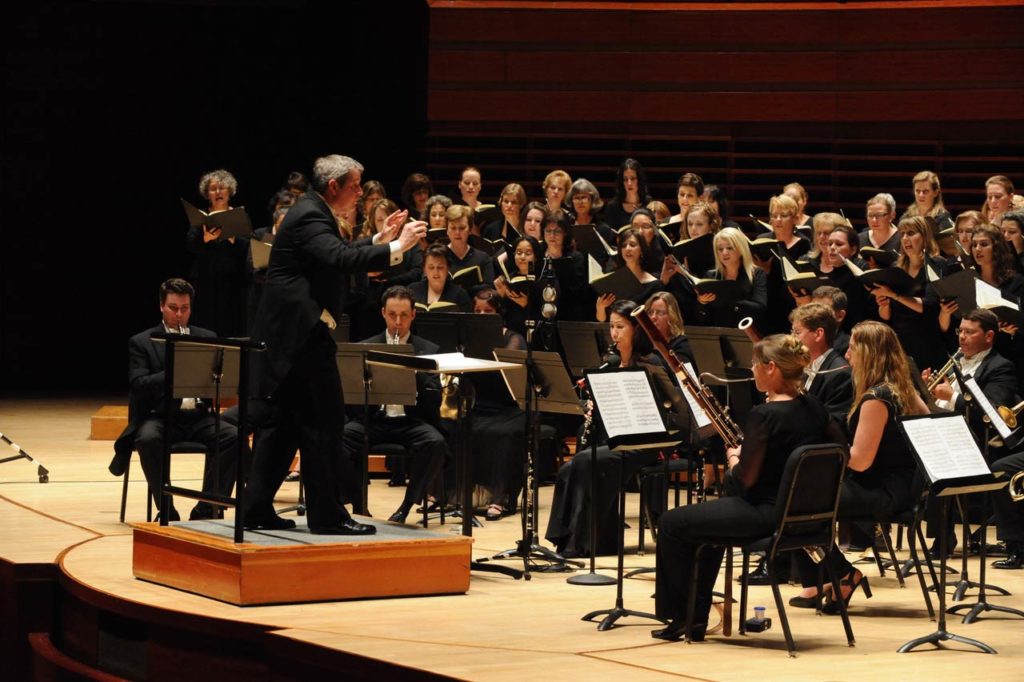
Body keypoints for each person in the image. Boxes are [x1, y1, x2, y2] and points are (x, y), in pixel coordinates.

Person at [243, 154, 425, 535]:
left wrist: (378, 240)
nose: (360, 193)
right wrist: (399, 246)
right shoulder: (311, 215)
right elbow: (338, 258)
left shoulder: (313, 212)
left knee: (284, 425)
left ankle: (255, 508)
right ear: (333, 186)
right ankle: (326, 517)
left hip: (291, 339)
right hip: (301, 340)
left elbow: (335, 255)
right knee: (325, 424)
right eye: (355, 186)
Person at [653, 334, 844, 640]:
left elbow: (742, 482)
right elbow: (840, 450)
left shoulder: (763, 416)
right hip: (804, 517)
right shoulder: (814, 408)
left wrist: (733, 456)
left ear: (771, 368)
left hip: (764, 514)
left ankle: (683, 617)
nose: (752, 369)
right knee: (705, 527)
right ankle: (692, 617)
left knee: (671, 523)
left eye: (755, 363)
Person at [789, 321, 929, 612]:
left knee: (795, 504)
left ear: (869, 354)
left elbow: (860, 462)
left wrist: (826, 448)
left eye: (852, 348)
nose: (847, 355)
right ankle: (821, 581)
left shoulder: (876, 399)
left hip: (881, 491)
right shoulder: (904, 389)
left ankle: (841, 574)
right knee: (804, 497)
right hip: (904, 487)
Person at [110, 278, 242, 521]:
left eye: (185, 308)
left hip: (198, 417)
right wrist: (175, 371)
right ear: (161, 306)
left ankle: (207, 507)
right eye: (173, 308)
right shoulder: (142, 342)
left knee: (234, 437)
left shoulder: (207, 337)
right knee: (147, 439)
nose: (179, 315)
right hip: (161, 417)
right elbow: (138, 384)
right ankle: (167, 508)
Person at [545, 299, 668, 557]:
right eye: (612, 326)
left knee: (585, 461)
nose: (614, 333)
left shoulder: (650, 363)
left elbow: (658, 410)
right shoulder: (610, 363)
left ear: (637, 329)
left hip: (644, 442)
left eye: (621, 327)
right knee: (568, 468)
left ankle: (584, 543)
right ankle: (567, 539)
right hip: (615, 438)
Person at [340, 286, 449, 523]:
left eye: (404, 315)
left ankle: (406, 507)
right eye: (392, 315)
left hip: (411, 421)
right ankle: (358, 504)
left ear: (413, 315)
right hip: (374, 420)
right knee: (338, 439)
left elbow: (434, 402)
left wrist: (416, 372)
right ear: (383, 313)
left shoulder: (428, 350)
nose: (398, 322)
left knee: (436, 443)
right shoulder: (366, 347)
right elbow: (352, 398)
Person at [874, 216, 947, 374]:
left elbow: (929, 306)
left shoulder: (936, 264)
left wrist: (895, 295)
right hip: (900, 344)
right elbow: (886, 316)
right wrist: (883, 305)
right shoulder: (896, 266)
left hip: (927, 342)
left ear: (924, 236)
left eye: (911, 233)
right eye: (902, 234)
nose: (905, 238)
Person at [184, 169, 249, 337]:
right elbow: (191, 245)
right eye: (213, 189)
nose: (218, 192)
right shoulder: (201, 218)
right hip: (206, 281)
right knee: (205, 326)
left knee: (230, 327)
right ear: (207, 194)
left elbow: (249, 249)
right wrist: (205, 239)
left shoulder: (239, 216)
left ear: (230, 191)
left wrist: (233, 237)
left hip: (232, 283)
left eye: (222, 188)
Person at [790, 303, 853, 433]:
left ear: (818, 334)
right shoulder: (803, 366)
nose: (792, 338)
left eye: (797, 332)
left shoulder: (841, 373)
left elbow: (833, 424)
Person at [695, 227, 768, 329]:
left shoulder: (756, 273)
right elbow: (702, 318)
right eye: (720, 249)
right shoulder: (711, 276)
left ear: (741, 249)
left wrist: (730, 297)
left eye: (729, 248)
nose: (724, 253)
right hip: (719, 331)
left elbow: (760, 308)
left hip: (749, 332)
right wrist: (702, 302)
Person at [595, 227, 662, 322]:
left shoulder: (654, 285)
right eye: (624, 245)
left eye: (632, 245)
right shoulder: (612, 280)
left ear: (642, 250)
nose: (627, 249)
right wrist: (600, 308)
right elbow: (602, 320)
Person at [410, 244, 472, 312]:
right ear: (424, 269)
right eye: (431, 267)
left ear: (448, 268)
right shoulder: (413, 290)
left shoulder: (460, 295)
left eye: (440, 267)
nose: (435, 272)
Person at [602, 158, 653, 230]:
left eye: (633, 178)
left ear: (639, 180)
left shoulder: (649, 204)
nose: (629, 183)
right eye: (625, 179)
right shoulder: (612, 207)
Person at [859, 193, 900, 257]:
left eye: (879, 215)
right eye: (870, 215)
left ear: (891, 216)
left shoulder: (901, 239)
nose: (874, 220)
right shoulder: (859, 239)